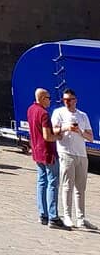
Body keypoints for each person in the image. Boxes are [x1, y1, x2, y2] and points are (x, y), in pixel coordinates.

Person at [52, 88, 94, 229]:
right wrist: (66, 128)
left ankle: (81, 218)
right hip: (66, 152)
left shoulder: (82, 116)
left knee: (80, 188)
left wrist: (80, 132)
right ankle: (67, 216)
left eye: (70, 100)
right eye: (65, 100)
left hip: (81, 154)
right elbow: (54, 130)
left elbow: (91, 137)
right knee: (67, 186)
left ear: (75, 100)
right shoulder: (58, 113)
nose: (67, 102)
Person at [28, 87, 63, 228]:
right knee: (52, 183)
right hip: (47, 152)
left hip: (37, 151)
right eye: (48, 98)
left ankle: (43, 214)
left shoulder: (31, 110)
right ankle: (53, 216)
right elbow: (47, 136)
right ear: (42, 98)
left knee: (41, 182)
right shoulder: (43, 114)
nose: (50, 100)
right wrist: (58, 136)